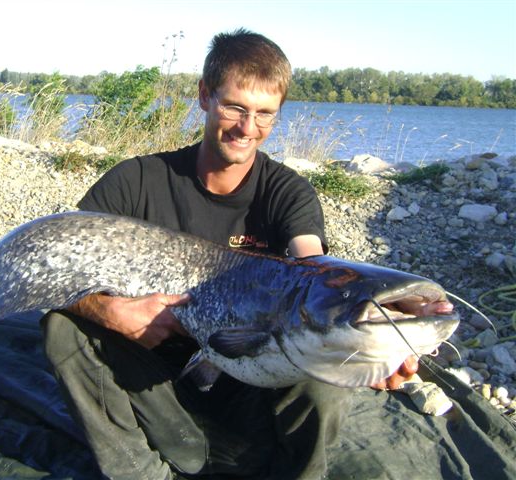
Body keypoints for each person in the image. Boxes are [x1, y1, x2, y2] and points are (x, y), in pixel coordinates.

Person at [41, 28, 414, 480]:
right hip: (146, 374)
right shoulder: (135, 181)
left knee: (327, 366)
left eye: (264, 115)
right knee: (63, 327)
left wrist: (382, 340)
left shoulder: (287, 194)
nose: (247, 129)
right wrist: (110, 310)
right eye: (235, 107)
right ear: (204, 95)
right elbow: (52, 266)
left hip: (252, 379)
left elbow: (313, 264)